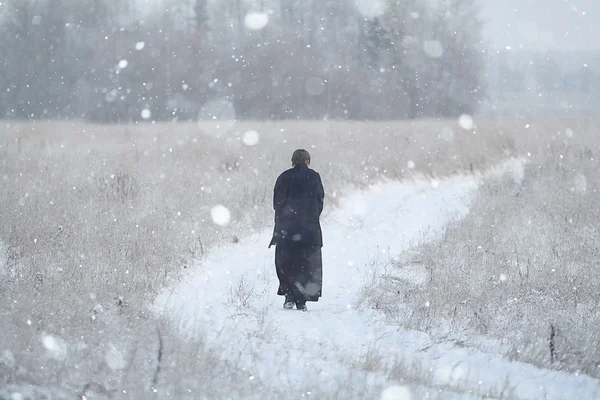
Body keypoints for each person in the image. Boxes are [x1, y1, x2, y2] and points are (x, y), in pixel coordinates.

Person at [269, 149, 324, 311]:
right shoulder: (314, 177)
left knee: (286, 263)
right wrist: (311, 217)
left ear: (292, 161)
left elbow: (277, 204)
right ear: (308, 160)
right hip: (309, 229)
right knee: (307, 264)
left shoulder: (284, 177)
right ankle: (302, 300)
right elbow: (320, 201)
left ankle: (289, 296)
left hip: (287, 229)